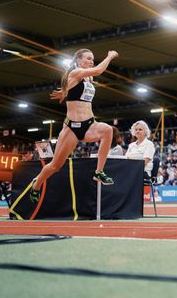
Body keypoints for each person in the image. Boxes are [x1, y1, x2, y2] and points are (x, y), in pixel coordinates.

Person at [29, 49, 119, 202]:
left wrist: (64, 92)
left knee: (108, 130)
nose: (91, 61)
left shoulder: (87, 77)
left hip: (89, 123)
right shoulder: (76, 72)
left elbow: (76, 90)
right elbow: (98, 71)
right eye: (88, 58)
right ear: (78, 60)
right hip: (72, 127)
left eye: (93, 59)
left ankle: (99, 171)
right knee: (55, 166)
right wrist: (109, 56)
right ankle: (36, 185)